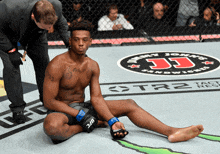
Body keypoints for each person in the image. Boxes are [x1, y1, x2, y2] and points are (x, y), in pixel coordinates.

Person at [43, 19, 204, 144]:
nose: (80, 44)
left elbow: (97, 98)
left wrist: (112, 121)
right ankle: (85, 126)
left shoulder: (92, 66)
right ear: (70, 41)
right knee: (52, 128)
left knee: (129, 104)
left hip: (83, 107)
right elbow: (49, 101)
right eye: (76, 40)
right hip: (62, 110)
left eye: (84, 40)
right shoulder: (58, 64)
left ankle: (171, 131)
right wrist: (81, 118)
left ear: (90, 41)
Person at [0, 0, 70, 124]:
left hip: (36, 34)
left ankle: (47, 99)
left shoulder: (56, 6)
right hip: (8, 34)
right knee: (11, 67)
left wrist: (71, 44)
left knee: (44, 63)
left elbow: (62, 25)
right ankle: (17, 108)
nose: (50, 29)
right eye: (46, 26)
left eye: (51, 25)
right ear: (33, 17)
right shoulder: (6, 9)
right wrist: (10, 50)